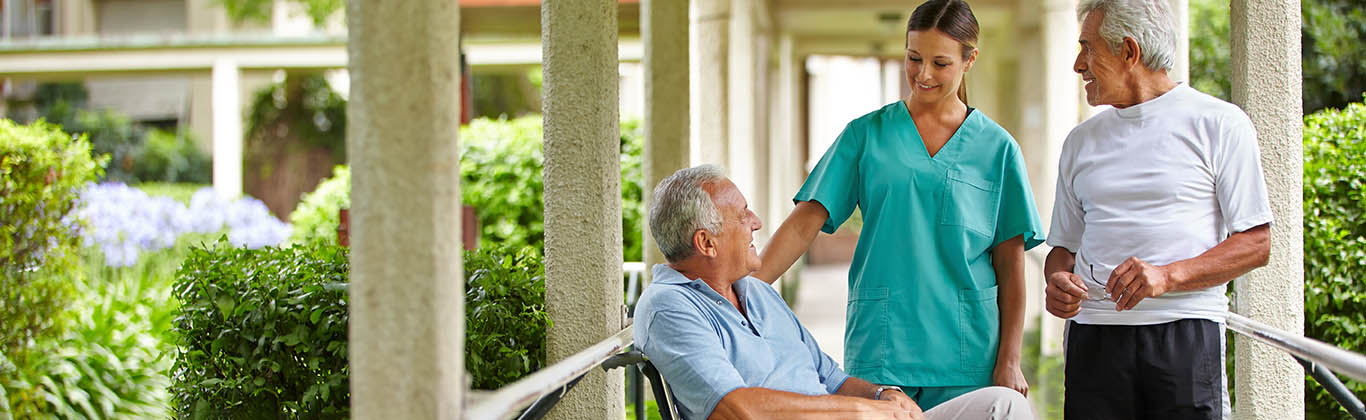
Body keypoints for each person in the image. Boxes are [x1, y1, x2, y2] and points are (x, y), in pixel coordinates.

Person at [754, 0, 1044, 411]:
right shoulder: (866, 135)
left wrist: (1009, 361)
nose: (923, 75)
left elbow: (1010, 264)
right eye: (914, 58)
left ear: (969, 60)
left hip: (967, 353)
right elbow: (806, 222)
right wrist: (744, 290)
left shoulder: (997, 149)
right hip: (883, 348)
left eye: (940, 63)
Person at [634, 164, 1033, 420]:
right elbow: (737, 409)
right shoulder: (669, 307)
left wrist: (883, 395)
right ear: (706, 243)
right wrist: (858, 412)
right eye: (742, 215)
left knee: (1004, 405)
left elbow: (830, 377)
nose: (756, 222)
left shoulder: (757, 293)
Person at [1042, 0, 1273, 418]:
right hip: (1094, 337)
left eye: (1088, 48)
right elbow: (1063, 247)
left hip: (1185, 331)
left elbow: (1256, 244)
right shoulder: (1080, 141)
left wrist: (1167, 276)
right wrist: (1057, 280)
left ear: (1129, 52)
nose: (1079, 64)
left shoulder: (1220, 123)